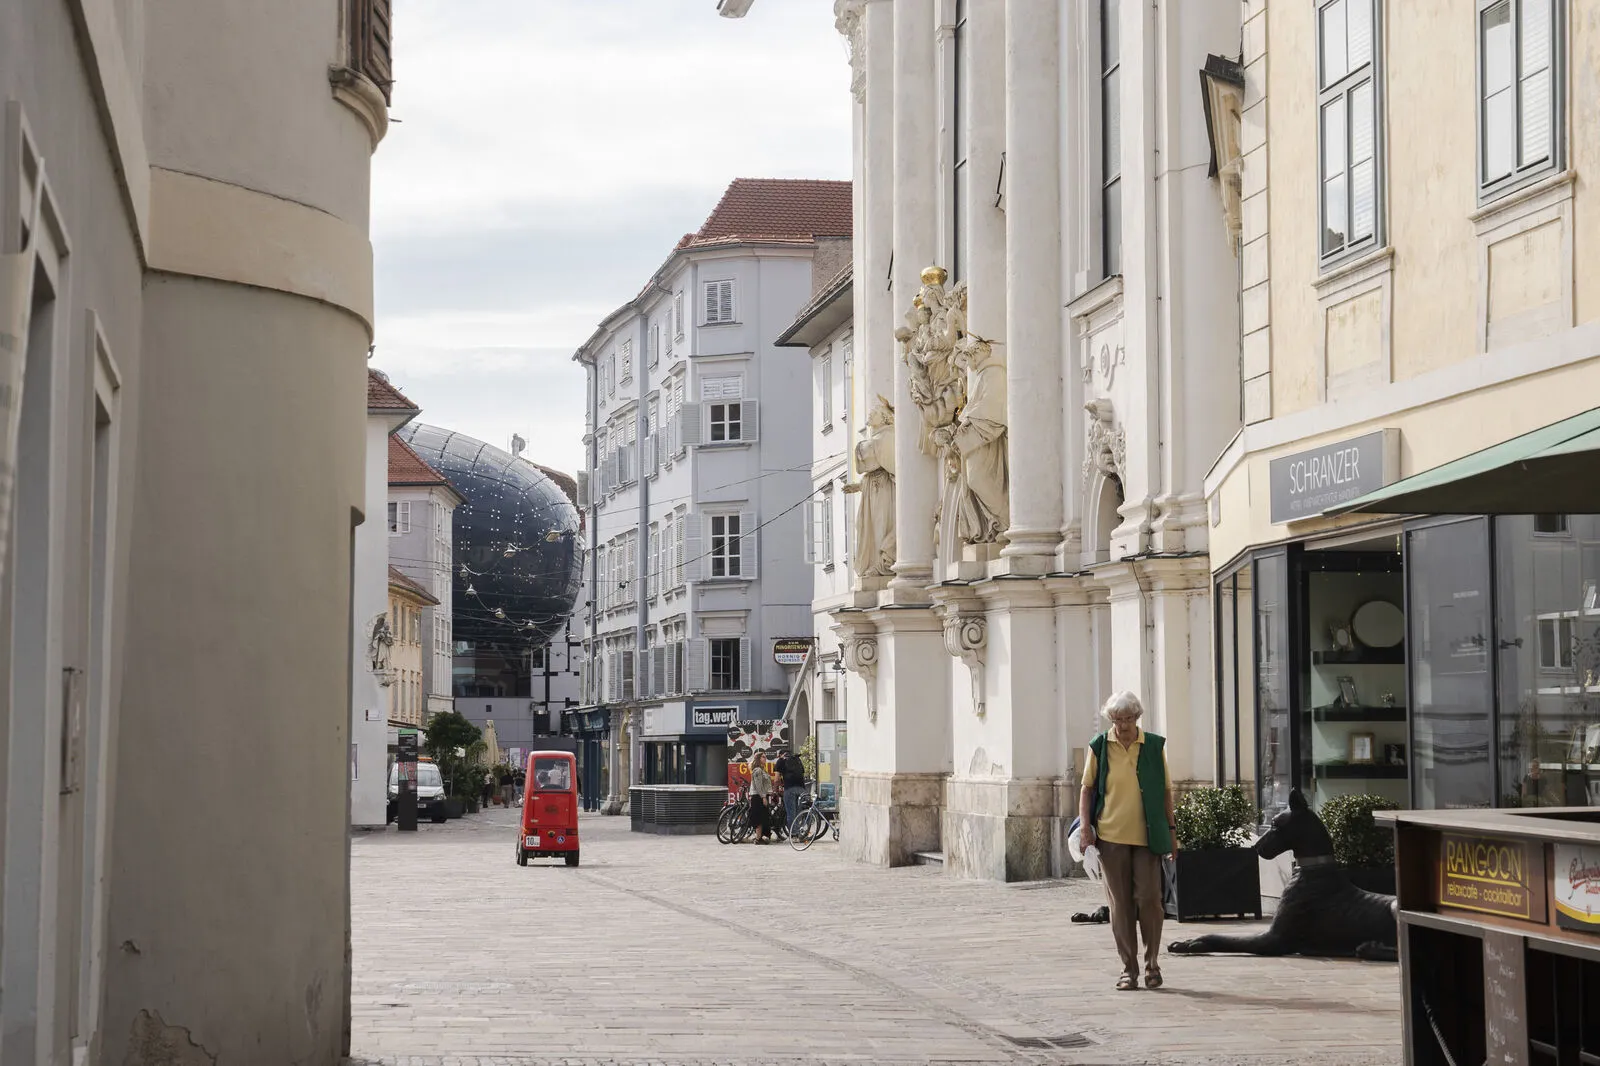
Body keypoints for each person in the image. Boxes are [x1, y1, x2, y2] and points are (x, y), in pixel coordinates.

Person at [1078, 691, 1175, 991]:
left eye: (1127, 719)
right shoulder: (1100, 746)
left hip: (1147, 837)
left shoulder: (1154, 746)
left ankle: (1152, 965)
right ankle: (1128, 969)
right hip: (1111, 836)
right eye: (1116, 720)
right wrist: (1085, 828)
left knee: (1150, 900)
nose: (1121, 726)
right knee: (1119, 905)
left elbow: (1166, 792)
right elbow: (1087, 789)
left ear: (1137, 717)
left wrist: (1172, 833)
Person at [774, 747, 807, 831]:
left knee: (791, 814)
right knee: (799, 813)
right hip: (801, 789)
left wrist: (775, 790)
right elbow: (803, 774)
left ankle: (794, 834)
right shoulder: (797, 759)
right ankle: (801, 833)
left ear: (781, 755)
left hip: (790, 789)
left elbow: (777, 779)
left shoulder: (781, 760)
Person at [748, 754, 774, 843]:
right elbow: (758, 785)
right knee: (759, 817)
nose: (765, 758)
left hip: (762, 795)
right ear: (758, 759)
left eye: (765, 757)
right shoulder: (758, 770)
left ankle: (760, 837)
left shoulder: (762, 770)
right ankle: (758, 838)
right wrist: (763, 797)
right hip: (758, 796)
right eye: (763, 757)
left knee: (763, 817)